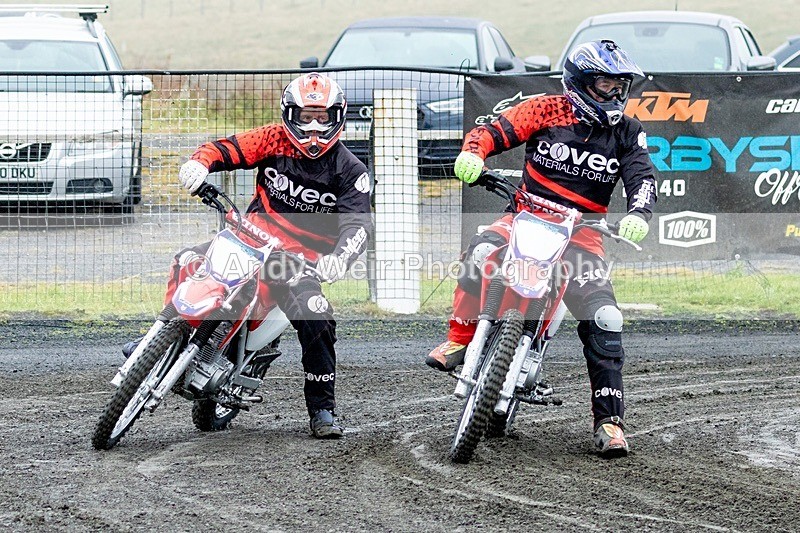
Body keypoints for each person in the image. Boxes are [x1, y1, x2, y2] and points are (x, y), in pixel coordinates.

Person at [425, 40, 656, 457]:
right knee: (480, 252)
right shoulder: (545, 109)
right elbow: (491, 132)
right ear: (582, 82)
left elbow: (642, 177)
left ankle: (609, 421)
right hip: (524, 214)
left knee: (605, 317)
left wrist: (639, 212)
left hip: (582, 233)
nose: (616, 95)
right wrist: (473, 154)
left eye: (622, 87)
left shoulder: (627, 131)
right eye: (607, 85)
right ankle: (460, 338)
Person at [125, 72, 373, 439]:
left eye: (323, 117)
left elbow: (358, 226)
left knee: (317, 316)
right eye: (306, 117)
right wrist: (199, 163)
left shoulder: (351, 171)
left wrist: (339, 258)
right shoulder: (272, 138)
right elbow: (227, 148)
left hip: (296, 259)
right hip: (248, 237)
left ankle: (322, 410)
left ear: (339, 116)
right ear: (291, 114)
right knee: (187, 260)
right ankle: (160, 335)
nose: (315, 127)